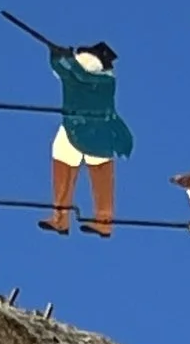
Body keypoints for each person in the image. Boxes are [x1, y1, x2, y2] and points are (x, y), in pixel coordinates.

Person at [42, 41, 133, 236]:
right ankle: (60, 218)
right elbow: (64, 71)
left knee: (100, 173)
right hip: (71, 129)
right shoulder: (72, 77)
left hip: (97, 133)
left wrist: (67, 60)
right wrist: (56, 56)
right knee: (62, 167)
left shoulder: (105, 82)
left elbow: (82, 76)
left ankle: (103, 220)